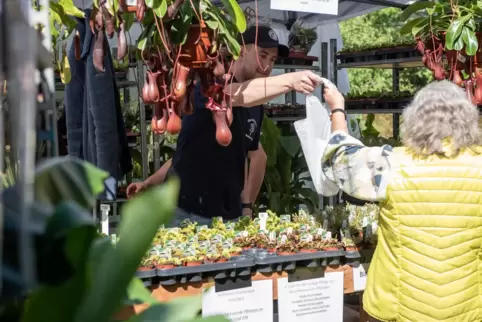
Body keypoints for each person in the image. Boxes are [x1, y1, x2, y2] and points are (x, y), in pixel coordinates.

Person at [127, 25, 322, 226]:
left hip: (228, 216)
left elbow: (252, 155)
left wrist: (246, 205)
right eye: (262, 55)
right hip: (185, 212)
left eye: (272, 60)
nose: (267, 66)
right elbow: (233, 94)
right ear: (241, 51)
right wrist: (291, 80)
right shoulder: (211, 85)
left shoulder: (256, 105)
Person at [321, 80, 482, 322]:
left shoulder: (391, 163)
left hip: (397, 306)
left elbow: (340, 161)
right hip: (468, 307)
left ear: (415, 118)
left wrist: (338, 109)